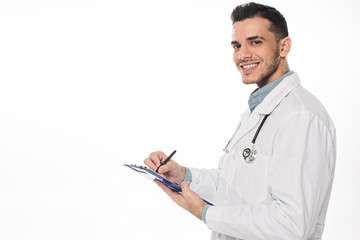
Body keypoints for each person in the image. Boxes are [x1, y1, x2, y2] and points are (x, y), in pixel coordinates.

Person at [144, 2, 336, 240]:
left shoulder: (301, 116)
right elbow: (233, 187)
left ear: (284, 46)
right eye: (237, 45)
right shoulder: (259, 110)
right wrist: (184, 176)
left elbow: (291, 224)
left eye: (255, 42)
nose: (243, 55)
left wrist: (206, 213)